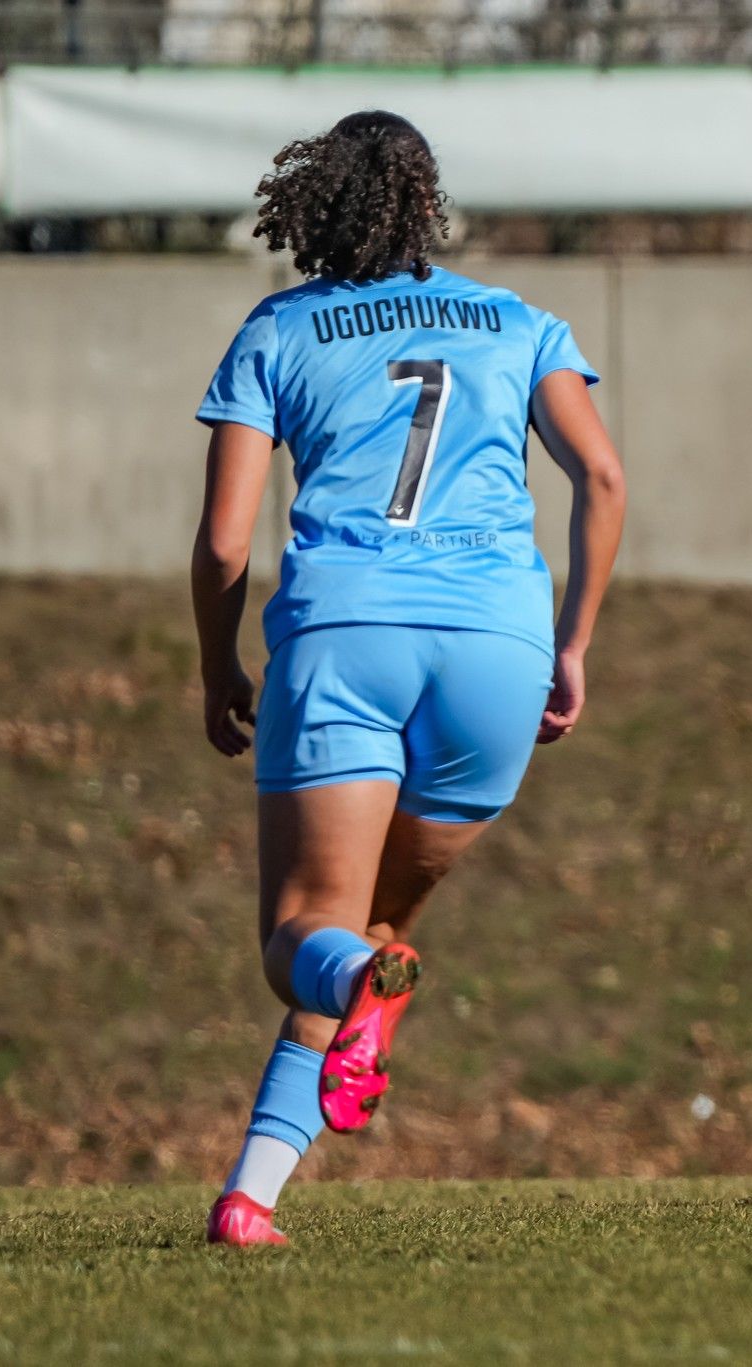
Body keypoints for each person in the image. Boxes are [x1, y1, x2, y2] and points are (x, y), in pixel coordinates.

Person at [189, 111, 626, 1245]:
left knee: (303, 933)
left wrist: (214, 665)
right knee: (367, 929)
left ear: (311, 204)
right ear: (426, 202)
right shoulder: (519, 320)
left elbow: (229, 543)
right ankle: (250, 1199)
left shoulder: (280, 327)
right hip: (496, 648)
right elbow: (604, 478)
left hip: (350, 633)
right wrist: (569, 643)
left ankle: (357, 1000)